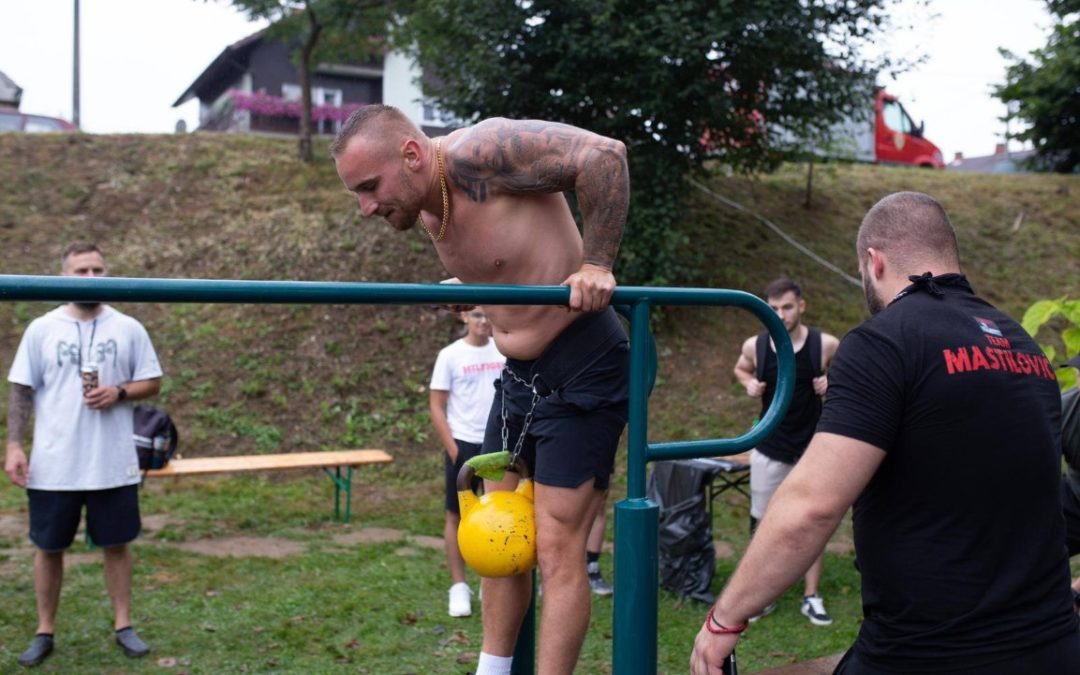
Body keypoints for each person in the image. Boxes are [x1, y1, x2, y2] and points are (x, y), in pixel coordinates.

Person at [691, 192, 1080, 674]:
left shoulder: (883, 341)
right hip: (1053, 647)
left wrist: (724, 620)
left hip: (929, 654)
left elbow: (812, 506)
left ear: (874, 261)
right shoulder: (1023, 347)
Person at [332, 105, 629, 675]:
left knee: (556, 546)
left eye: (370, 188)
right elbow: (508, 252)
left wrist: (596, 263)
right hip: (515, 375)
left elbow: (605, 155)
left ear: (412, 155)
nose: (367, 208)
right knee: (496, 530)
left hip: (582, 361)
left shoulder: (484, 153)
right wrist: (469, 285)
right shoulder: (422, 198)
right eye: (356, 195)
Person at [4, 242, 164, 668]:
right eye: (81, 271)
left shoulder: (128, 326)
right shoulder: (41, 328)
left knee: (117, 545)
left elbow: (152, 381)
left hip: (112, 461)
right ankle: (44, 630)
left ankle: (124, 625)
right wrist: (15, 445)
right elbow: (21, 388)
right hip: (54, 464)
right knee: (48, 548)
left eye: (98, 270)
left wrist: (120, 392)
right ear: (63, 277)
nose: (92, 278)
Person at [732, 277, 838, 625]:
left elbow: (849, 374)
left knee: (812, 523)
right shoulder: (756, 346)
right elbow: (741, 367)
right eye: (774, 308)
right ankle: (760, 597)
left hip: (812, 448)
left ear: (801, 306)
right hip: (768, 444)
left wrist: (832, 382)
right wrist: (748, 382)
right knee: (762, 523)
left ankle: (812, 596)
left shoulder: (824, 344)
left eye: (787, 307)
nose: (780, 314)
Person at [430, 308, 506, 618]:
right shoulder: (450, 355)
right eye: (476, 315)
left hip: (496, 444)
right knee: (456, 515)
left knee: (497, 513)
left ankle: (491, 580)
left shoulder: (504, 350)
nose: (483, 321)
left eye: (487, 314)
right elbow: (436, 404)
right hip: (462, 443)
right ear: (463, 317)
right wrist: (452, 448)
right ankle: (459, 586)